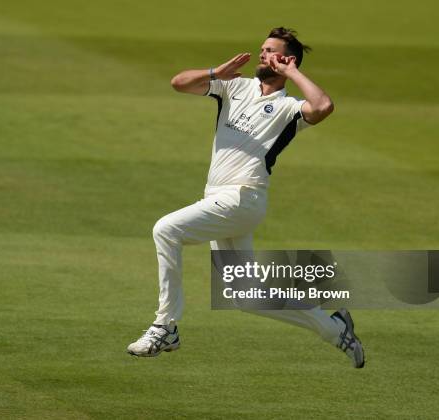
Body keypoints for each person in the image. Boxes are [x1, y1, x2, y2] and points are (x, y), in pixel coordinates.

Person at [127, 27, 365, 368]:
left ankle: (165, 326)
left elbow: (323, 106)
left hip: (243, 197)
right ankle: (333, 328)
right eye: (263, 49)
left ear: (287, 60)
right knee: (243, 295)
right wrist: (215, 73)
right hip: (221, 198)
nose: (263, 55)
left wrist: (293, 73)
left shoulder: (288, 108)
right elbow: (178, 83)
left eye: (272, 51)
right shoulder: (234, 87)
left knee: (166, 229)